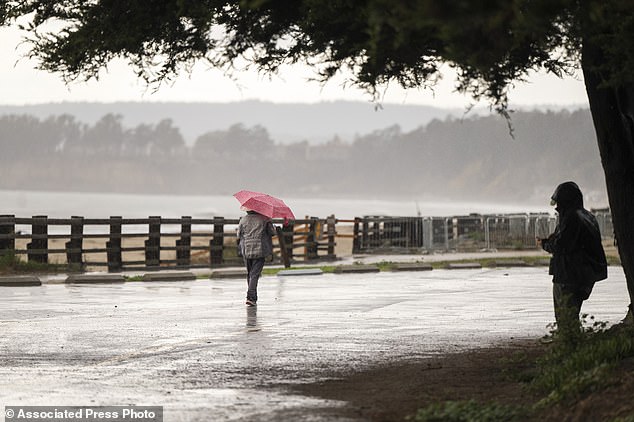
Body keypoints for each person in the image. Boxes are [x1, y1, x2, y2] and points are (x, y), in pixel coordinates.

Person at [538, 181, 608, 333]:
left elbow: (561, 245)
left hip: (568, 275)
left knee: (565, 317)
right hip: (585, 275)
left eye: (558, 203)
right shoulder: (587, 216)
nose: (556, 208)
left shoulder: (571, 218)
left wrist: (545, 244)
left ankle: (570, 347)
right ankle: (573, 345)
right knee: (572, 314)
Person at [237, 209, 276, 307]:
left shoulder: (243, 220)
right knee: (254, 274)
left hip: (246, 249)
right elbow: (272, 232)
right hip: (260, 249)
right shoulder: (264, 219)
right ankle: (251, 297)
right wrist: (270, 222)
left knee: (250, 273)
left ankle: (252, 297)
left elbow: (238, 235)